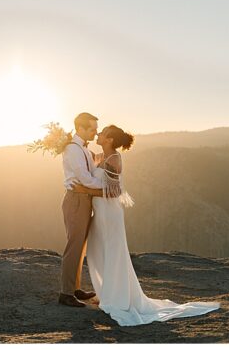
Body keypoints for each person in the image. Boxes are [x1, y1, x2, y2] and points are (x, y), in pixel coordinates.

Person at [82, 124, 219, 326]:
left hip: (109, 214)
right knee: (97, 250)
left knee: (112, 252)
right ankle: (105, 292)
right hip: (100, 213)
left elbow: (114, 192)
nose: (98, 134)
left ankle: (114, 298)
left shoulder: (114, 159)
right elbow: (82, 157)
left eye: (102, 133)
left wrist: (81, 190)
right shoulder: (100, 157)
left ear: (110, 139)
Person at [58, 112, 105, 308]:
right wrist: (106, 188)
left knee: (81, 246)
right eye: (92, 129)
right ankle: (66, 293)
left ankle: (74, 288)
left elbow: (89, 170)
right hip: (76, 199)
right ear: (80, 128)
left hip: (84, 199)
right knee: (74, 246)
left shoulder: (82, 149)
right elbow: (85, 179)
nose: (96, 132)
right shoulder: (73, 149)